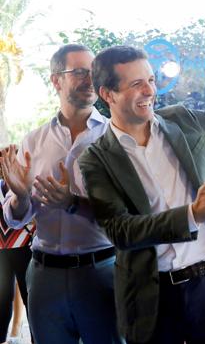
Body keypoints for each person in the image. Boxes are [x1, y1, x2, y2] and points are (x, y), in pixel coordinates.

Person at [77, 43, 205, 344]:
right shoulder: (96, 159)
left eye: (150, 80)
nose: (149, 91)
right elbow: (120, 230)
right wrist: (193, 215)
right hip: (152, 298)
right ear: (107, 94)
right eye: (136, 84)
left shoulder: (184, 122)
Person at [0, 44, 122, 344]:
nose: (89, 79)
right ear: (56, 80)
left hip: (102, 272)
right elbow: (16, 220)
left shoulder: (116, 138)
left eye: (92, 72)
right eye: (79, 72)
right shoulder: (34, 140)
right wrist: (21, 195)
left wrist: (72, 203)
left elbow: (127, 213)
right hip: (44, 276)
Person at [0, 162, 34, 344]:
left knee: (30, 295)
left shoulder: (26, 185)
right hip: (2, 251)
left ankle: (31, 336)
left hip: (25, 247)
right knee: (2, 298)